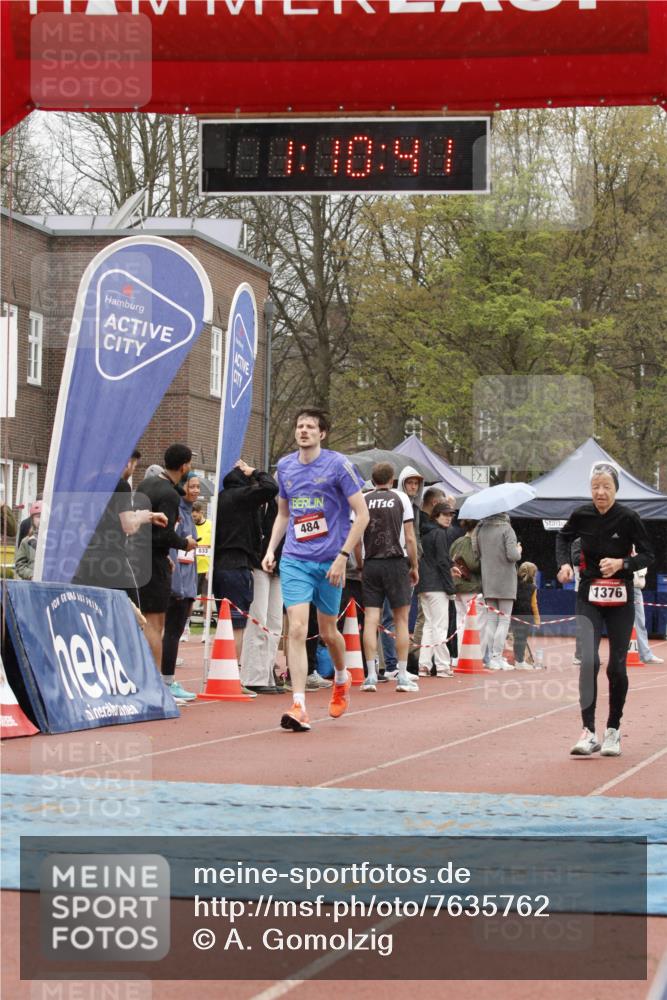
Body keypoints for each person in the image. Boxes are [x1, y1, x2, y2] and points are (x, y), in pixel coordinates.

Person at [262, 407, 369, 732]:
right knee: (295, 629)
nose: (303, 430)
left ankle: (340, 677)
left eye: (310, 426)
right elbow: (283, 514)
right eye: (299, 426)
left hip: (330, 562)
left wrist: (342, 556)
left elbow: (361, 515)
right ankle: (299, 705)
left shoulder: (338, 465)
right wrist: (270, 549)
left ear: (322, 433)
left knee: (328, 633)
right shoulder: (285, 466)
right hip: (296, 558)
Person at [556, 460, 654, 757]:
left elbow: (649, 554)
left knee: (616, 666)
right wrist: (563, 564)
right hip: (589, 595)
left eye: (606, 487)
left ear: (615, 490)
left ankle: (613, 729)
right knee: (589, 662)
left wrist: (622, 564)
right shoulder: (581, 514)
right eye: (595, 487)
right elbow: (563, 536)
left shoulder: (628, 517)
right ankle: (588, 731)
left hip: (621, 597)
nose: (600, 492)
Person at [356, 462, 419, 693]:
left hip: (371, 563)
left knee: (371, 620)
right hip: (395, 562)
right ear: (392, 479)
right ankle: (402, 675)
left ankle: (371, 676)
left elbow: (356, 538)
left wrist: (361, 565)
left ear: (373, 480)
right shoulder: (401, 498)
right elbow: (410, 538)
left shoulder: (362, 499)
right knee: (401, 620)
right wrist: (414, 565)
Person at [133, 444, 198, 667]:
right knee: (155, 623)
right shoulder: (169, 495)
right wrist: (185, 543)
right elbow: (164, 534)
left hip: (136, 557)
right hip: (153, 562)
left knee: (141, 621)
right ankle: (156, 683)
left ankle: (141, 675)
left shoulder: (145, 484)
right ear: (184, 466)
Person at [74, 450, 165, 601]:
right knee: (132, 613)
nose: (132, 470)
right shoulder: (121, 485)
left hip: (86, 558)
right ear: (128, 463)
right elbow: (129, 526)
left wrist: (149, 516)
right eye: (134, 465)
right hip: (111, 557)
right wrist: (141, 518)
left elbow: (110, 517)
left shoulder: (91, 483)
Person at [213, 459, 279, 666]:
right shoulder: (243, 497)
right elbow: (271, 487)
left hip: (220, 564)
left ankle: (221, 669)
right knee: (237, 624)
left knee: (223, 622)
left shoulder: (220, 498)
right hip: (238, 563)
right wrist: (255, 471)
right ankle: (233, 671)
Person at [161, 474, 201, 703]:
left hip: (186, 584)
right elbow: (172, 546)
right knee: (170, 633)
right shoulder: (176, 510)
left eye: (197, 487)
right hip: (175, 583)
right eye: (191, 486)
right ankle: (165, 681)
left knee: (174, 633)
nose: (195, 490)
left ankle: (168, 679)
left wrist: (191, 589)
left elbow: (191, 555)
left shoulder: (188, 512)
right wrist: (177, 586)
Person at [473, 511, 522, 671]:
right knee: (504, 620)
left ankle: (489, 658)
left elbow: (476, 554)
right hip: (505, 579)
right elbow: (512, 555)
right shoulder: (507, 528)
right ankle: (497, 656)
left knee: (491, 620)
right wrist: (519, 550)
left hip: (488, 579)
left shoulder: (480, 529)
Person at [418, 498, 458, 678]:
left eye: (451, 515)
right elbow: (441, 560)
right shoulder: (440, 534)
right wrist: (450, 589)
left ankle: (424, 665)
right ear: (436, 516)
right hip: (437, 586)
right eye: (445, 515)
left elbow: (436, 558)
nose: (449, 518)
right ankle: (442, 666)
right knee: (440, 626)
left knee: (429, 626)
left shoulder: (425, 533)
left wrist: (450, 564)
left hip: (424, 585)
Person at [449, 518, 486, 656]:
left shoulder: (456, 542)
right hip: (471, 588)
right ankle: (476, 657)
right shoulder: (473, 543)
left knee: (461, 624)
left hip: (458, 587)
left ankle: (461, 656)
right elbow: (473, 564)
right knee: (478, 625)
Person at [631, 551, 663, 665]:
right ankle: (645, 655)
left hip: (635, 587)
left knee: (638, 623)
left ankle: (644, 654)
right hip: (629, 586)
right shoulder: (624, 542)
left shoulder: (638, 544)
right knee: (637, 623)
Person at [511, 561, 541, 670]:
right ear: (533, 574)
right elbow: (534, 605)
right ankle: (519, 661)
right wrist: (537, 620)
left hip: (513, 614)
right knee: (521, 639)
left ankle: (517, 660)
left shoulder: (514, 583)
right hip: (526, 616)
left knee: (516, 638)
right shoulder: (532, 587)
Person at [14, 501, 41, 580]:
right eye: (38, 516)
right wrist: (31, 575)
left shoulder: (55, 542)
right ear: (32, 519)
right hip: (31, 586)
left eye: (44, 516)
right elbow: (19, 565)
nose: (41, 519)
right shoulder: (26, 541)